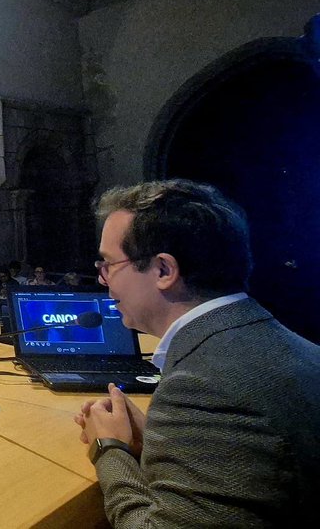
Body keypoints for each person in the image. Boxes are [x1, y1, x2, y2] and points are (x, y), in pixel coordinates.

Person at [73, 180, 320, 527]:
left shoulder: (202, 388)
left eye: (110, 265)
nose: (103, 280)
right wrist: (162, 442)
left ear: (163, 270)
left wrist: (110, 448)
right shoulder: (290, 344)